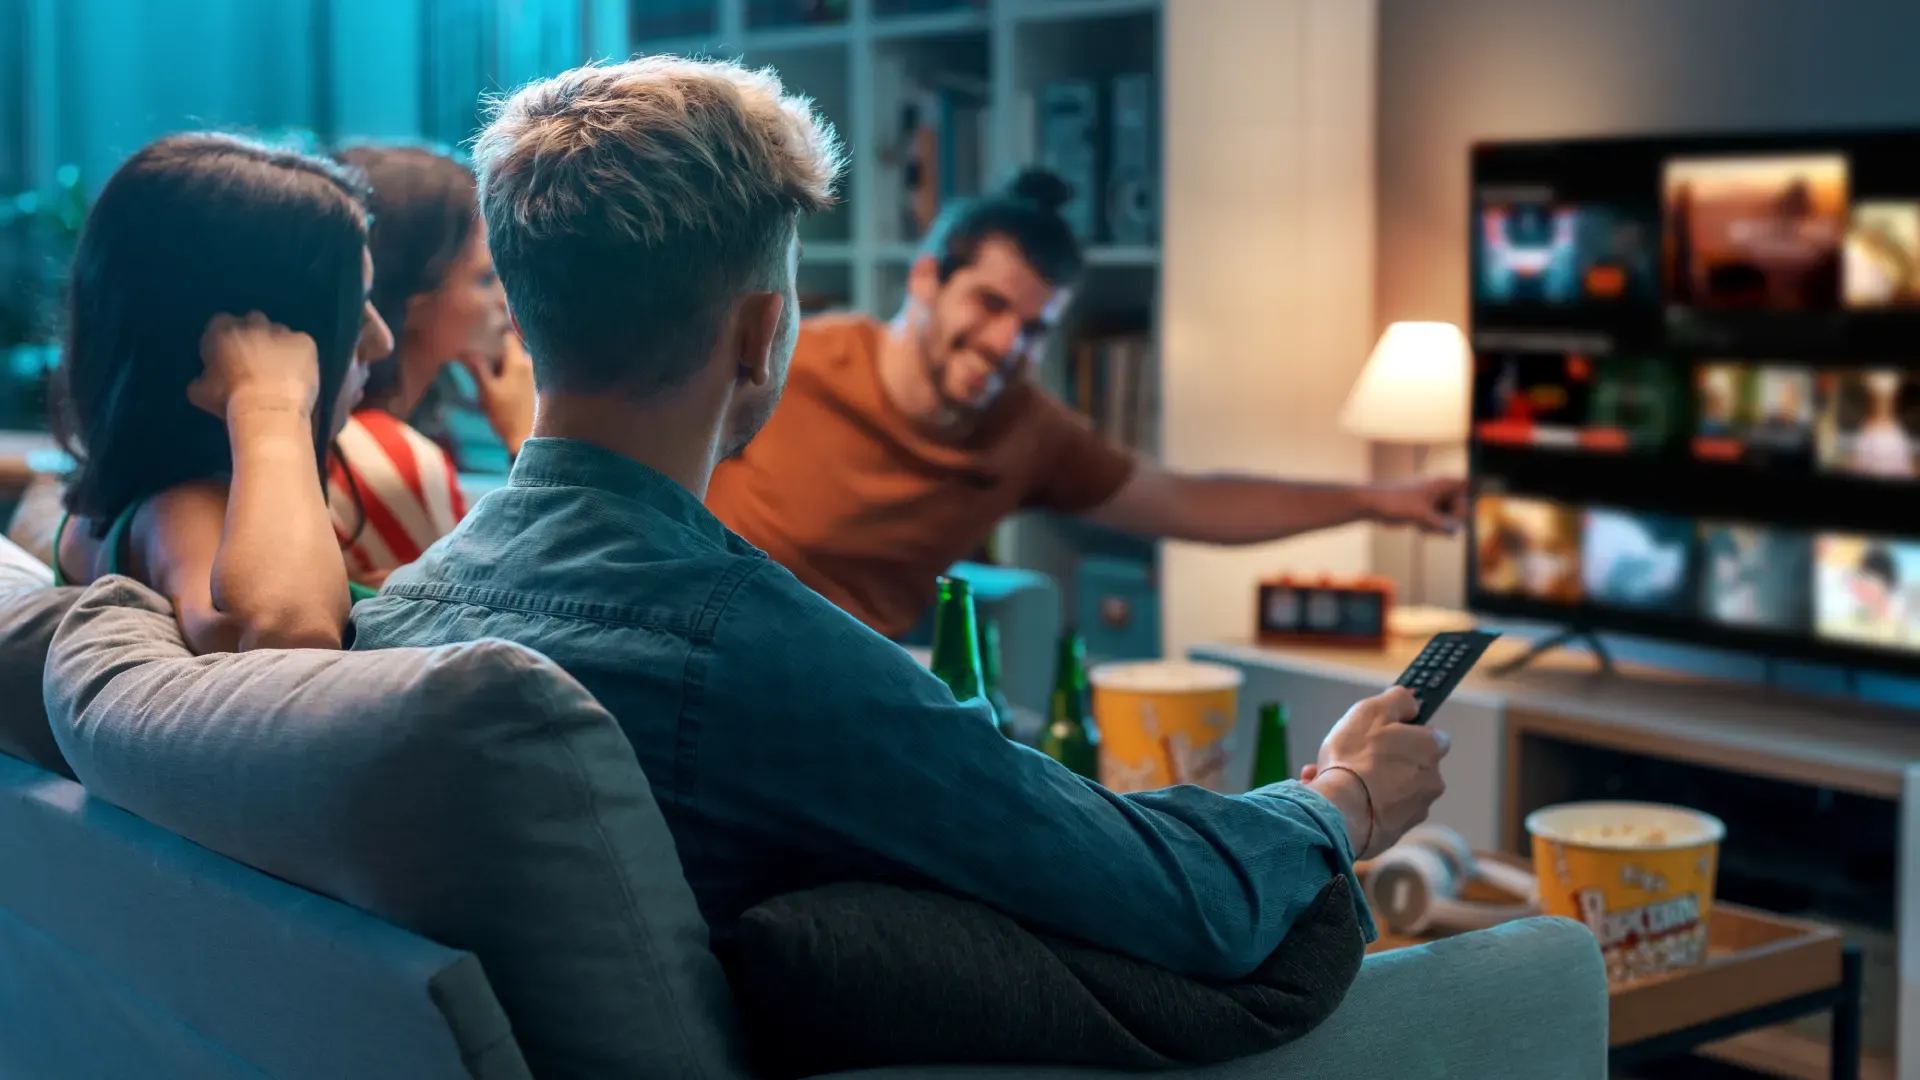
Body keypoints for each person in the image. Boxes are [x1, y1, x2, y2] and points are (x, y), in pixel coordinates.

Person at [352, 56, 1449, 977]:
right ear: (761, 332)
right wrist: (1344, 801)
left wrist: (1372, 496)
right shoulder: (762, 651)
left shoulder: (393, 617)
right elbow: (1175, 902)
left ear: (527, 305)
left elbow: (1177, 498)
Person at [705, 171, 1466, 641]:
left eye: (1034, 327)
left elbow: (1190, 503)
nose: (1008, 344)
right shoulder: (799, 358)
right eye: (991, 304)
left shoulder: (1025, 431)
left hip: (860, 682)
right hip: (714, 637)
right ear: (929, 279)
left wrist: (1378, 499)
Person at [49, 133, 393, 653]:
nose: (380, 340)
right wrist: (269, 403)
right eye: (355, 311)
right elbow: (288, 632)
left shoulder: (121, 508)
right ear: (256, 342)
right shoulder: (182, 509)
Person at [326, 144, 535, 588]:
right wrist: (528, 438)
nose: (505, 299)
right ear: (413, 304)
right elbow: (510, 603)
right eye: (484, 279)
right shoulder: (387, 457)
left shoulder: (385, 435)